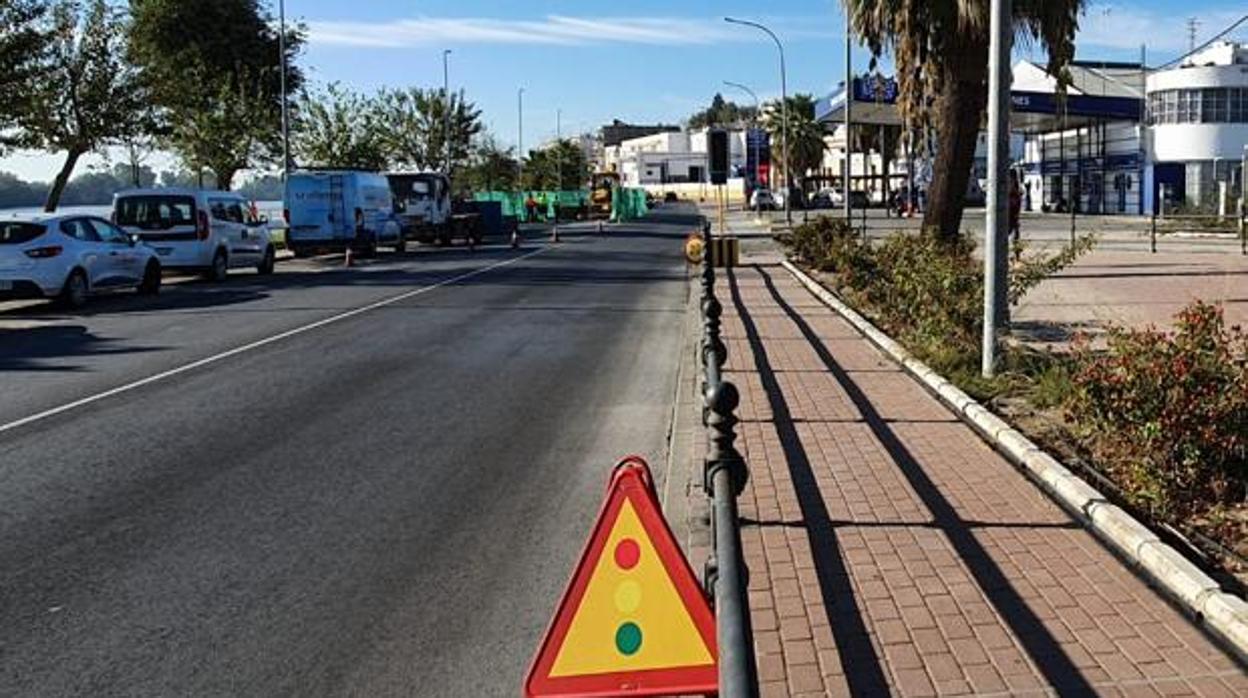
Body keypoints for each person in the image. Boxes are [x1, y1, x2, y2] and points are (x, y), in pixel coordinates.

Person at [1008, 172, 1022, 251]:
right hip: (1004, 220)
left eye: (1011, 181)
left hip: (1012, 220)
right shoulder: (1005, 194)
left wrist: (1016, 217)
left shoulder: (1016, 194)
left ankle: (1017, 256)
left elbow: (1017, 207)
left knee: (1015, 238)